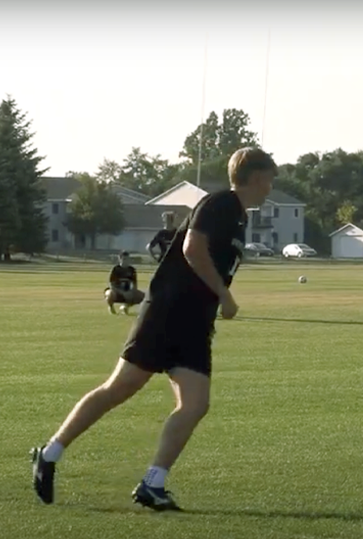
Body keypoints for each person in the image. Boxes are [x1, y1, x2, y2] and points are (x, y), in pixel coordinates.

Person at [31, 147, 277, 511]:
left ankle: (153, 483)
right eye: (270, 179)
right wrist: (225, 295)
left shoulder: (239, 217)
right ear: (256, 177)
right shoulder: (220, 204)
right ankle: (49, 454)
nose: (271, 187)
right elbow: (193, 249)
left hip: (194, 324)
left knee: (195, 404)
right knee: (119, 388)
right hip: (167, 313)